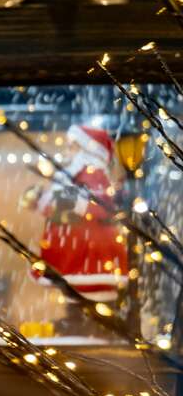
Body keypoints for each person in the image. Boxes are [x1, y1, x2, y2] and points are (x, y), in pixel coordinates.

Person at [20, 123, 126, 302]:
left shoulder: (93, 174)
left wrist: (62, 202)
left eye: (73, 146)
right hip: (73, 243)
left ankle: (88, 308)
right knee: (73, 286)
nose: (69, 151)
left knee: (85, 280)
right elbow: (63, 203)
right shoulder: (74, 174)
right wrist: (44, 201)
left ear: (86, 149)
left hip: (87, 244)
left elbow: (98, 206)